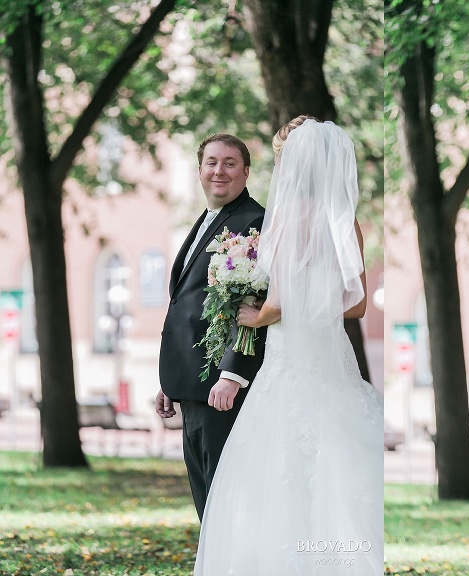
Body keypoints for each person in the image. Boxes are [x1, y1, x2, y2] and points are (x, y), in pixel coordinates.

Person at [194, 118, 383, 575]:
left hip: (287, 352)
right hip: (329, 351)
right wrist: (313, 305)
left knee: (278, 456)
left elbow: (277, 302)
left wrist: (257, 315)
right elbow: (355, 308)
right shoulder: (347, 223)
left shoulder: (282, 221)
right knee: (334, 446)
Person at [155, 134, 266, 521]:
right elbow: (189, 305)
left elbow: (254, 307)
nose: (219, 171)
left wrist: (233, 373)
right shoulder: (206, 221)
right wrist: (171, 380)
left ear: (246, 172)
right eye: (212, 162)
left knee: (224, 496)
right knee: (206, 497)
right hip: (194, 384)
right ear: (200, 170)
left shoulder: (254, 222)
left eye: (230, 163)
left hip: (222, 387)